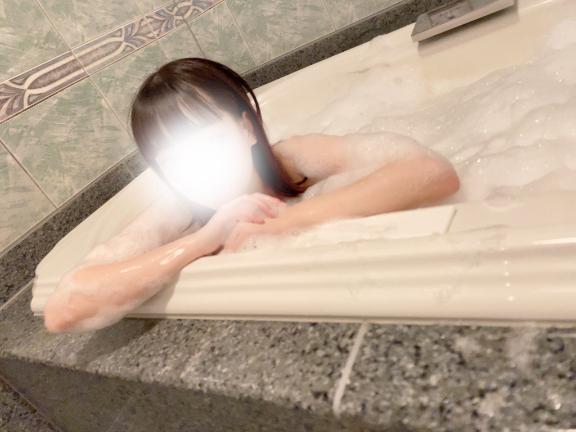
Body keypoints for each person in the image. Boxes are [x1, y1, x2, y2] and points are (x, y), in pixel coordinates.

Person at [43, 58, 460, 334]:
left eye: (209, 142)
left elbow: (431, 172)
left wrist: (284, 221)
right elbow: (63, 310)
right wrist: (206, 238)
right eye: (174, 159)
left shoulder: (292, 159)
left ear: (245, 128)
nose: (198, 166)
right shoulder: (179, 210)